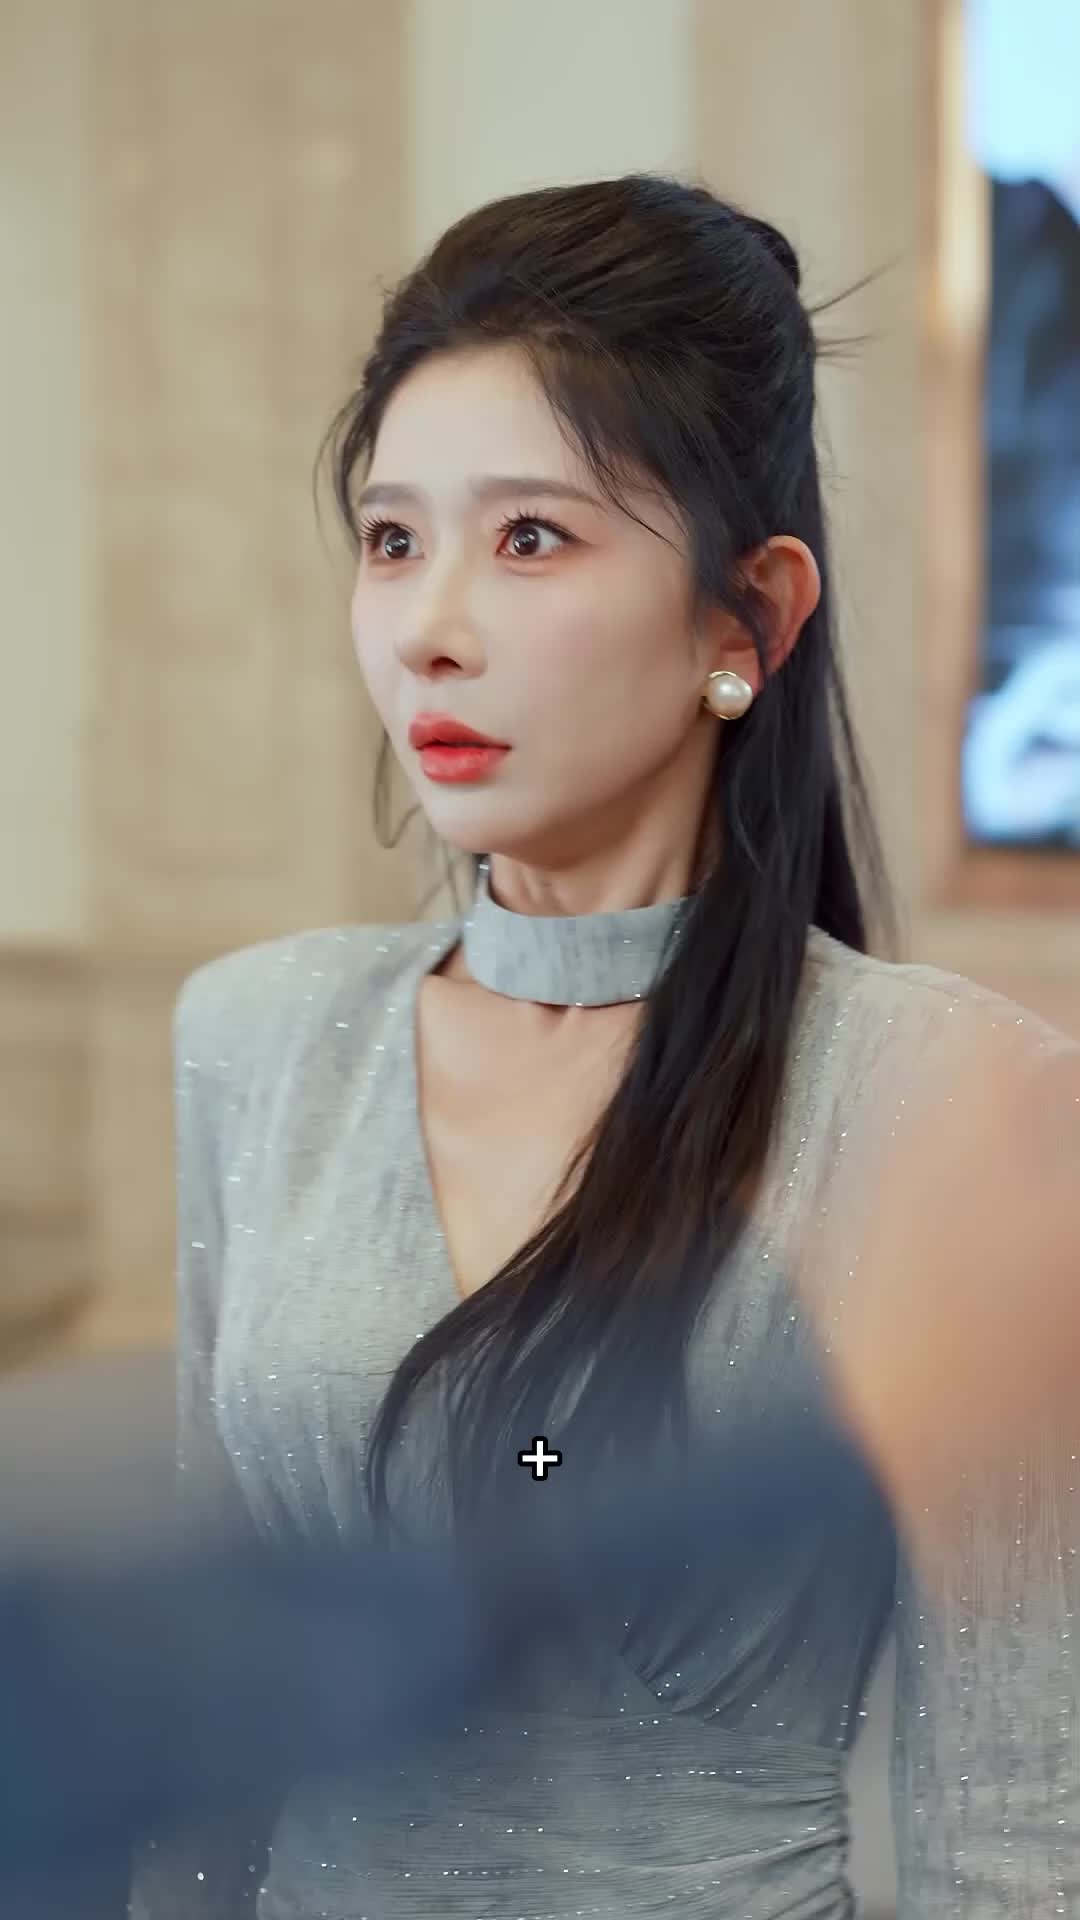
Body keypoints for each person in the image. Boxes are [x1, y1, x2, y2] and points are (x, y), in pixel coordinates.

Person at [130, 174, 1080, 1919]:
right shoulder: (259, 1041)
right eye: (393, 539)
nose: (429, 626)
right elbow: (209, 1713)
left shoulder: (943, 1095)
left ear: (748, 618)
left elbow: (1022, 1818)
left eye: (531, 539)